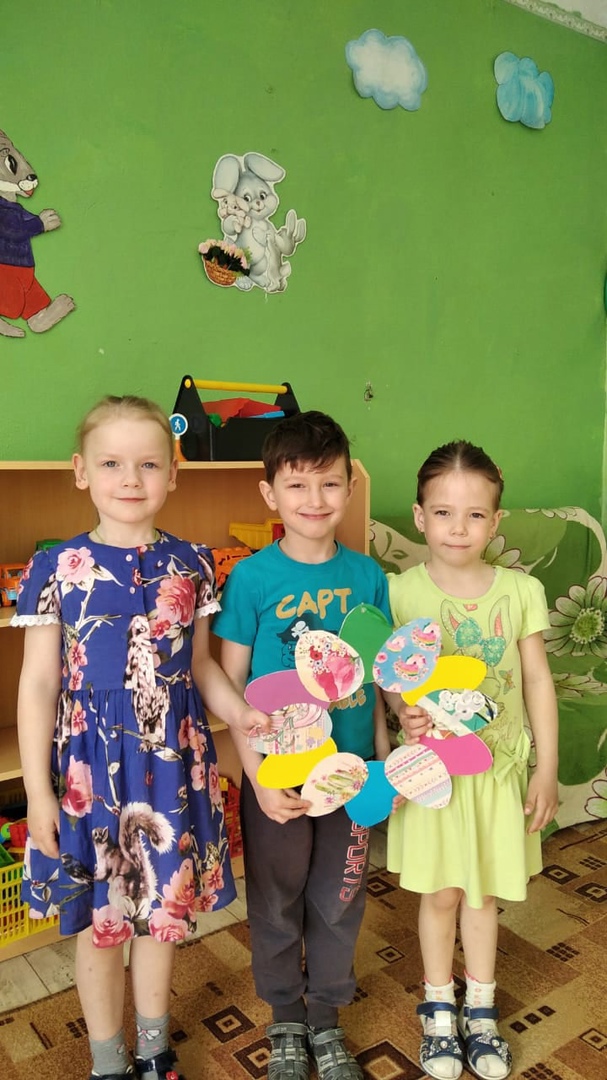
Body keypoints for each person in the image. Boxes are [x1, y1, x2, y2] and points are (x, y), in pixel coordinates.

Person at [13, 395, 270, 1080]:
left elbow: (203, 666)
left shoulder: (193, 562)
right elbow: (38, 685)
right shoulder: (54, 567)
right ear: (80, 471)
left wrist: (241, 712)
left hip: (172, 764)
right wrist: (38, 792)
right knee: (101, 926)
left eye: (149, 464)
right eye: (111, 464)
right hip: (89, 774)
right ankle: (108, 1062)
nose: (131, 479)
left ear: (173, 473)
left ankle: (154, 1050)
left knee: (164, 912)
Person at [213, 410, 391, 1080]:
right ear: (270, 494)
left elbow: (377, 677)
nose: (314, 499)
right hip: (278, 777)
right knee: (277, 898)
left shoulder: (368, 576)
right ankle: (286, 1013)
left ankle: (326, 1017)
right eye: (296, 484)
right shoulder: (252, 579)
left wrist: (383, 762)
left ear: (349, 487)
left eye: (329, 483)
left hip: (353, 773)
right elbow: (233, 686)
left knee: (340, 896)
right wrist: (257, 778)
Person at [385, 440, 559, 1080]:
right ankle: (438, 1009)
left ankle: (480, 1010)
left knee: (482, 895)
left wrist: (545, 768)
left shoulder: (522, 590)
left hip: (498, 770)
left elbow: (537, 680)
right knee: (441, 894)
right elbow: (390, 676)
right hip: (431, 774)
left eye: (475, 514)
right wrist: (402, 711)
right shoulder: (399, 592)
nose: (458, 528)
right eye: (443, 512)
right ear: (420, 516)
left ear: (496, 520)